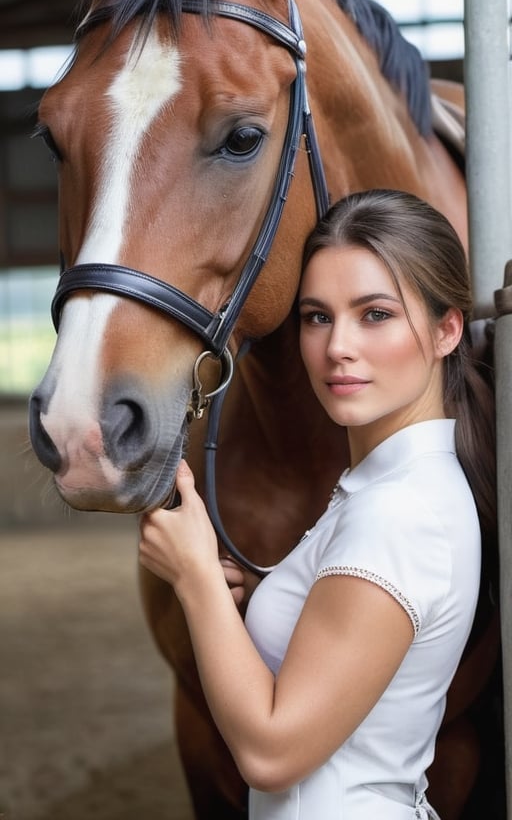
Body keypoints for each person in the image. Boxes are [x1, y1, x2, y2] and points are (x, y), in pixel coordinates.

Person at [139, 188, 497, 819]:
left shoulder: (400, 512)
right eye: (317, 316)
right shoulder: (390, 487)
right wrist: (265, 597)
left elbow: (273, 755)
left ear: (446, 330)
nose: (337, 347)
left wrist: (195, 576)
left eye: (376, 314)